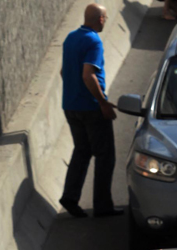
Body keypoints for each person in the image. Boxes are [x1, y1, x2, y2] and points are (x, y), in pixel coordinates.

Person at [59, 3, 123, 219]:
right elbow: (89, 74)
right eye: (104, 17)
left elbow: (63, 71)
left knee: (82, 151)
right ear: (101, 19)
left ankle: (70, 197)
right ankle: (103, 206)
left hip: (70, 106)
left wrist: (74, 93)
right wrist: (103, 102)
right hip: (91, 108)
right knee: (105, 156)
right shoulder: (93, 41)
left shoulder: (71, 37)